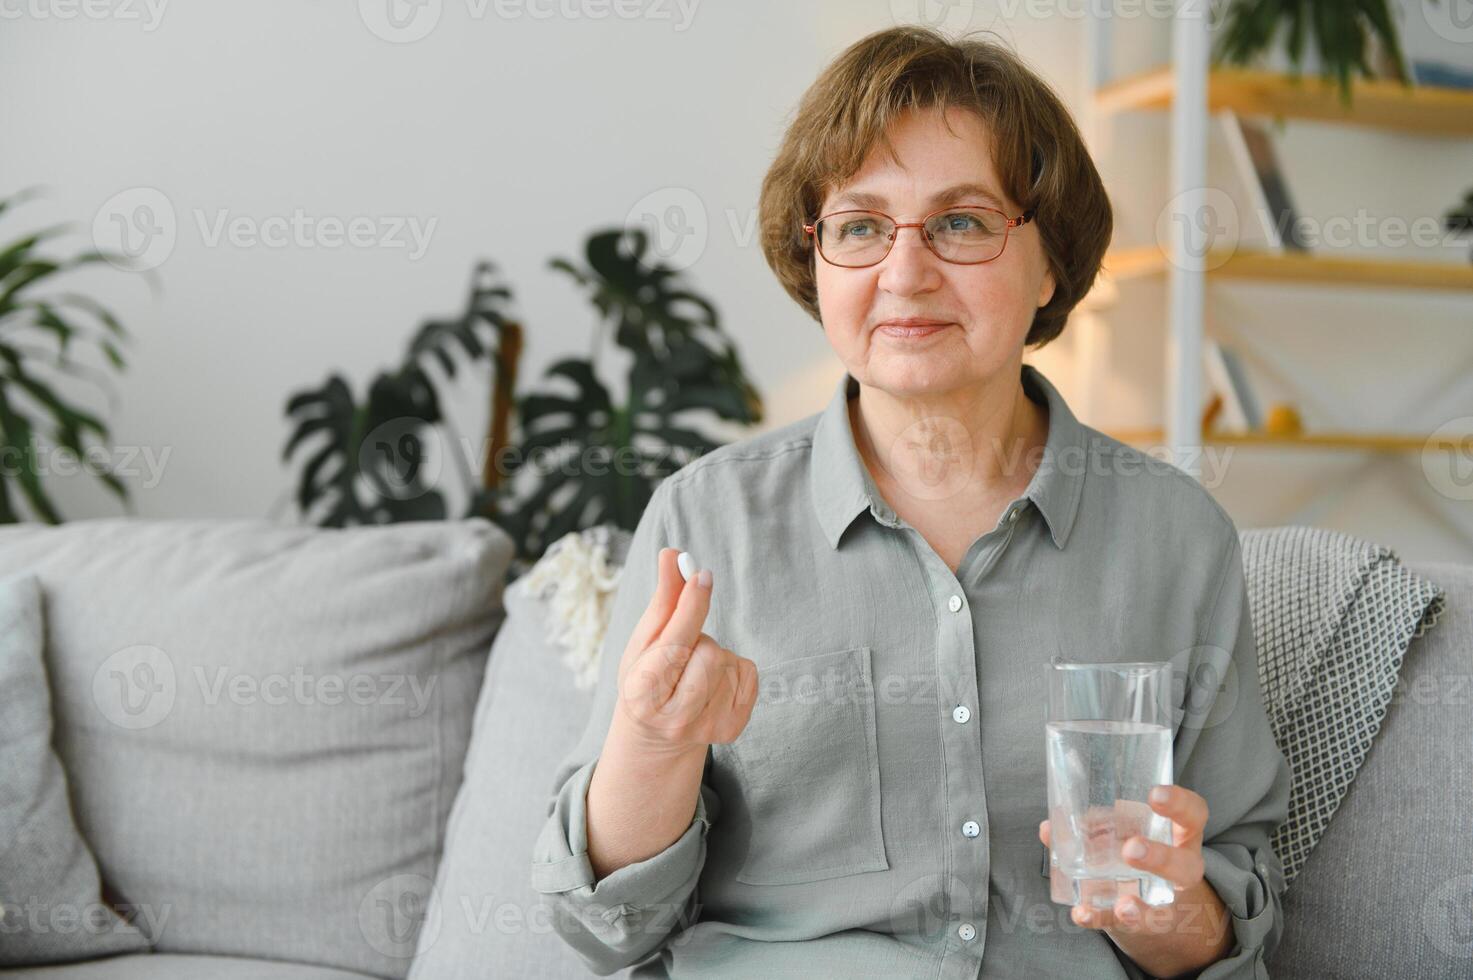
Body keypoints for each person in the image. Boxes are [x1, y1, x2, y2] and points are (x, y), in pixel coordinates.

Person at [531, 25, 1290, 979]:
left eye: (962, 222)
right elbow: (609, 930)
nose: (904, 272)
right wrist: (651, 743)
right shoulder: (703, 522)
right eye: (858, 226)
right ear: (816, 263)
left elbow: (1231, 916)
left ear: (1050, 261)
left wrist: (1169, 903)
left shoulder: (1177, 539)